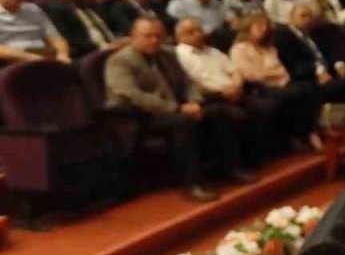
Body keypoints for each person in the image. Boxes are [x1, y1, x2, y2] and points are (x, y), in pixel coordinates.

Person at [104, 17, 246, 202]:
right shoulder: (120, 60)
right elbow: (132, 95)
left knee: (219, 113)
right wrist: (178, 108)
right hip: (139, 114)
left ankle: (229, 168)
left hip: (173, 108)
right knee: (183, 122)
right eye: (147, 36)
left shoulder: (167, 54)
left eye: (158, 36)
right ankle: (192, 184)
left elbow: (187, 83)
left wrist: (195, 101)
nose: (154, 40)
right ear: (133, 37)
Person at [173, 19, 269, 170]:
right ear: (178, 36)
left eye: (199, 30)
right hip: (209, 97)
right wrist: (222, 93)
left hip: (233, 91)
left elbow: (234, 70)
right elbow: (191, 84)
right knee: (232, 115)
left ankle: (254, 158)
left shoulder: (213, 51)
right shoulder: (178, 55)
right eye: (190, 32)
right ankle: (232, 168)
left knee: (263, 106)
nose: (197, 34)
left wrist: (236, 86)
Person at [229, 13, 320, 152]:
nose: (264, 29)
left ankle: (309, 133)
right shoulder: (239, 49)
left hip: (282, 83)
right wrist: (270, 74)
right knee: (293, 94)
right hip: (258, 89)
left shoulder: (270, 48)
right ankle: (297, 137)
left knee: (308, 89)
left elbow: (282, 71)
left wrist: (268, 74)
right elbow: (251, 75)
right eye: (259, 26)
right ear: (248, 28)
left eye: (266, 26)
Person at [41, 0, 125, 59]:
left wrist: (120, 40)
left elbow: (110, 28)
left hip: (115, 49)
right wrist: (104, 47)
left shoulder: (93, 6)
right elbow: (71, 42)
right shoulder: (56, 10)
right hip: (90, 56)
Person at [0, 0, 71, 64]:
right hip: (11, 63)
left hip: (43, 57)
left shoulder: (33, 9)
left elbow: (56, 38)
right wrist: (33, 58)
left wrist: (63, 55)